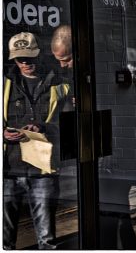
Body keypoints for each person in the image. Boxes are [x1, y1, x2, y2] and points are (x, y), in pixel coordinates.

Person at [3, 32, 69, 249]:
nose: (25, 62)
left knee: (47, 239)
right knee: (4, 239)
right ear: (13, 59)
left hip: (43, 171)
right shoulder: (4, 84)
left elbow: (70, 125)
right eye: (20, 58)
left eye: (29, 57)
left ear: (39, 55)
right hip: (8, 171)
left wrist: (43, 128)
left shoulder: (59, 85)